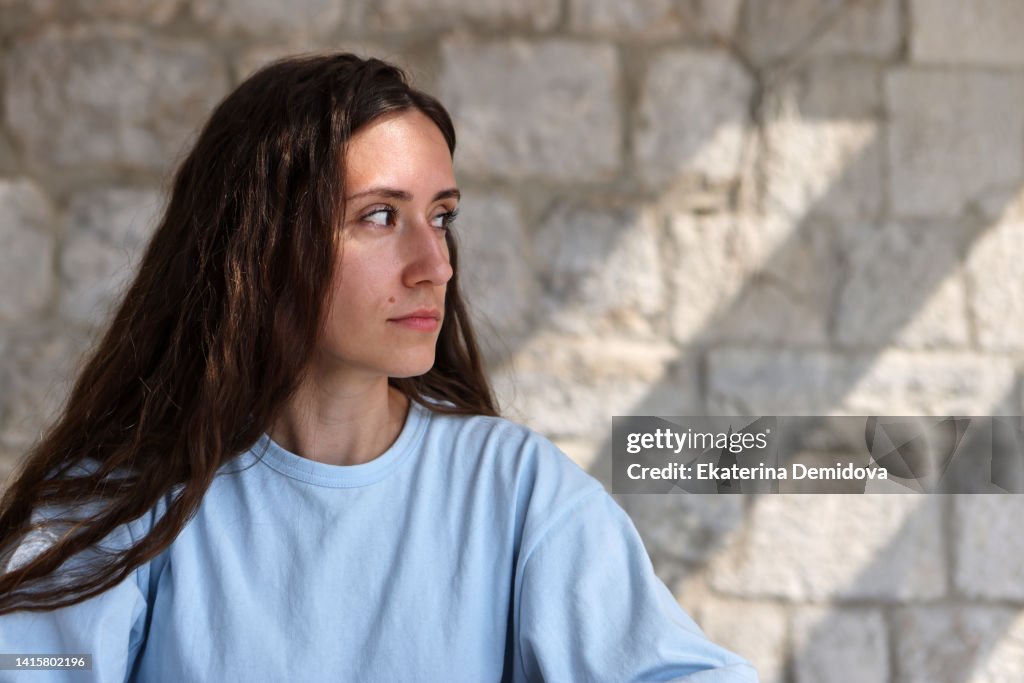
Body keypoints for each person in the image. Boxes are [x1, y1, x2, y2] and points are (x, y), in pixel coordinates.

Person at [0, 53, 758, 682]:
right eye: (380, 216)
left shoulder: (517, 491)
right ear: (260, 246)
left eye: (442, 216)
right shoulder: (119, 502)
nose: (435, 264)